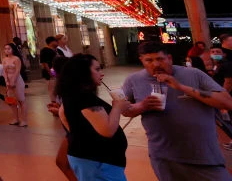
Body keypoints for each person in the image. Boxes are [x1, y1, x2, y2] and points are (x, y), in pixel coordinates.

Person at [121, 41, 232, 181]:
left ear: (170, 58)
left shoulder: (193, 74)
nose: (155, 64)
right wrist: (141, 106)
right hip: (165, 159)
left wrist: (181, 87)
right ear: (141, 60)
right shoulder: (133, 80)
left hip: (205, 158)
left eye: (160, 59)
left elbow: (227, 102)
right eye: (149, 60)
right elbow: (125, 110)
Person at [58, 54, 129, 181]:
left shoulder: (73, 95)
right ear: (82, 72)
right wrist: (117, 107)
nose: (101, 73)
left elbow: (62, 113)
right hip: (98, 162)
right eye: (97, 69)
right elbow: (107, 130)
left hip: (94, 160)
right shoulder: (85, 99)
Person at [2, 42, 27, 127]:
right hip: (8, 81)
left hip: (17, 80)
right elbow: (4, 71)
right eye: (5, 49)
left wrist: (13, 81)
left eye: (9, 48)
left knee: (21, 100)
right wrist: (6, 81)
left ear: (13, 49)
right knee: (11, 101)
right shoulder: (4, 59)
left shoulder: (16, 59)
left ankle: (23, 120)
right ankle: (15, 118)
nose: (7, 50)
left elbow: (17, 71)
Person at [41, 36, 60, 101]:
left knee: (57, 88)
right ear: (51, 42)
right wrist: (50, 72)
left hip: (57, 71)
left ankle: (58, 102)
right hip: (51, 71)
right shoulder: (45, 50)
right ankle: (54, 102)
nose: (57, 43)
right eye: (56, 41)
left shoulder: (57, 50)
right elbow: (44, 62)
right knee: (52, 89)